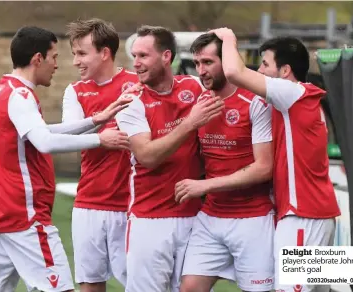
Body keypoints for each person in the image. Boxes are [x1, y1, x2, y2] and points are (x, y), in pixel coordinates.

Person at [0, 26, 131, 292]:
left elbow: (41, 132)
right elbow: (44, 142)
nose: (59, 65)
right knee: (60, 288)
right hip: (24, 215)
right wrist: (100, 138)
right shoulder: (20, 95)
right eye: (54, 57)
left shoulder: (2, 90)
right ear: (38, 59)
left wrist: (95, 120)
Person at [210, 27, 341, 292]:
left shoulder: (291, 94)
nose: (259, 70)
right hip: (316, 213)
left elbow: (235, 73)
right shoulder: (302, 98)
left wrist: (228, 39)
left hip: (302, 216)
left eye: (265, 64)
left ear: (285, 72)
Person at [115, 25, 223, 292]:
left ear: (166, 57)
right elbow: (146, 156)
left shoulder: (194, 87)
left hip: (195, 217)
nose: (136, 64)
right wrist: (189, 123)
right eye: (134, 56)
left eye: (143, 56)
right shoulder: (131, 102)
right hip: (150, 220)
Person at [175, 32, 275, 292]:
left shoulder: (255, 102)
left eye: (207, 62)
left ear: (227, 61)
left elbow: (264, 167)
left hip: (252, 219)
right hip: (211, 217)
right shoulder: (200, 102)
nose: (201, 71)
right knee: (188, 288)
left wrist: (205, 186)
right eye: (197, 64)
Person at [61, 18, 139, 291]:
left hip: (132, 206)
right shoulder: (75, 91)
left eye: (82, 53)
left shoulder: (137, 86)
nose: (75, 62)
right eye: (74, 54)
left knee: (141, 284)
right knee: (90, 283)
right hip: (89, 205)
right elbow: (69, 138)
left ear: (105, 53)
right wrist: (101, 137)